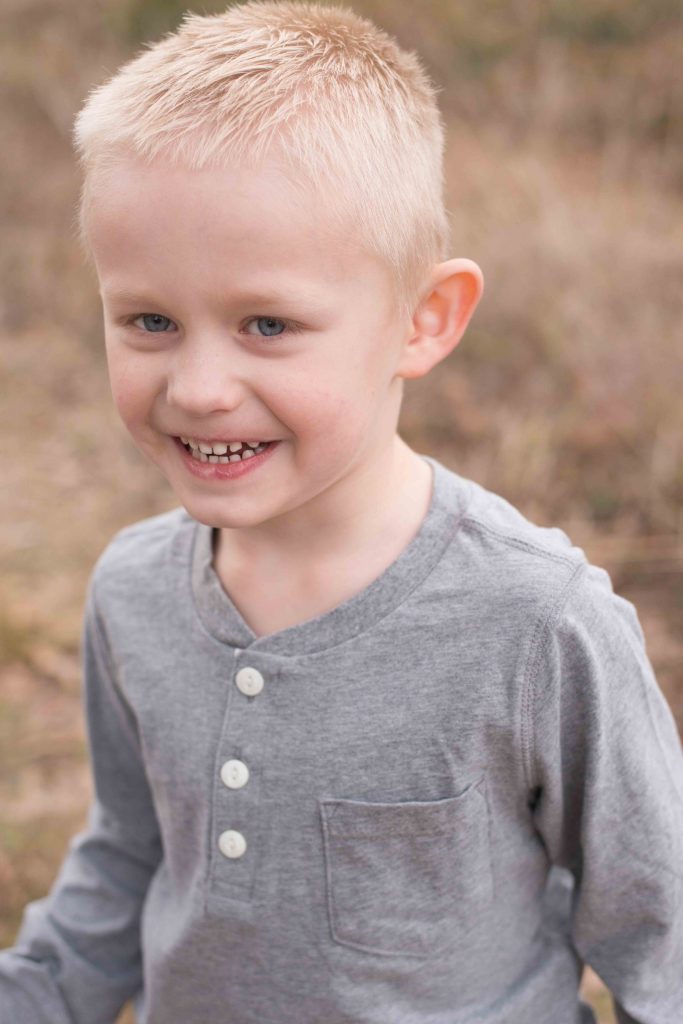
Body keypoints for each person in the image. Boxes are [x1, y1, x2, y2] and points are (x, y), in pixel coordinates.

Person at [2, 2, 682, 1022]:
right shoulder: (132, 592)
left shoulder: (535, 621)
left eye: (265, 324)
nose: (196, 386)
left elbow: (659, 931)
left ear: (423, 321)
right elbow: (128, 862)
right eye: (149, 319)